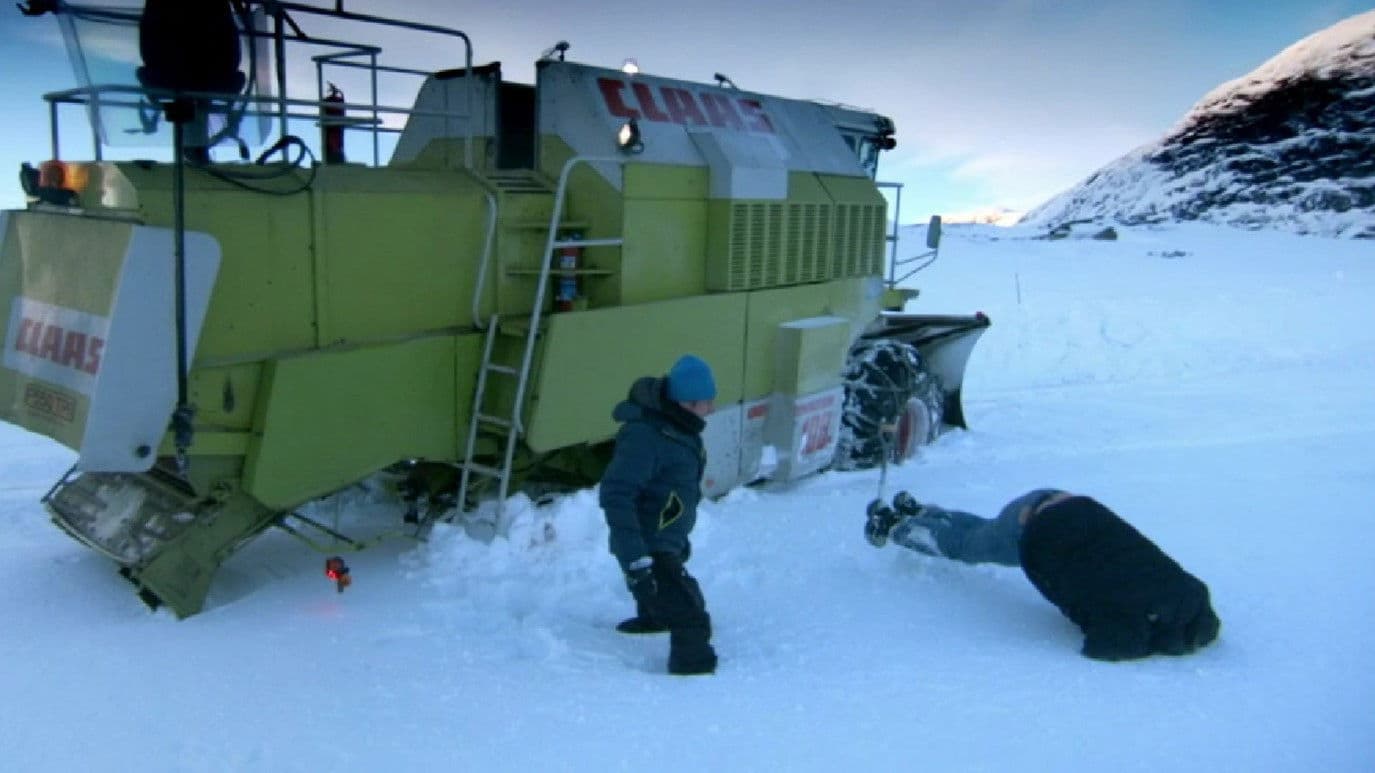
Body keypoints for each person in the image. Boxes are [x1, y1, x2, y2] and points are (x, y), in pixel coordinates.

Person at [864, 488, 1221, 661]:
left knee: (984, 535)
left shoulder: (1183, 587)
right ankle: (900, 529)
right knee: (968, 548)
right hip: (1034, 528)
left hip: (1060, 502)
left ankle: (926, 512)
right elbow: (1107, 648)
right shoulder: (1129, 614)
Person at [599, 354, 719, 676]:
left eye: (707, 402)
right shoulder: (646, 436)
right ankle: (692, 666)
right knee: (689, 609)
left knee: (661, 584)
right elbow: (617, 492)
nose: (704, 411)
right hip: (647, 539)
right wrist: (635, 553)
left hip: (666, 531)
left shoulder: (677, 427)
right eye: (695, 404)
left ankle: (654, 615)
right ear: (677, 401)